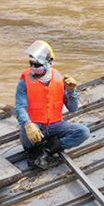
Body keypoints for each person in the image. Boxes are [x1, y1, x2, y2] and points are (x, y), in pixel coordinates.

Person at [16, 40, 89, 170]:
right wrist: (28, 125)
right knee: (26, 136)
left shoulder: (59, 79)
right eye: (31, 64)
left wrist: (72, 91)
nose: (33, 68)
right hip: (35, 126)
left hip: (55, 125)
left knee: (83, 132)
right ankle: (36, 149)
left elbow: (73, 108)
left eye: (37, 64)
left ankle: (48, 150)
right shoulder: (24, 83)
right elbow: (20, 107)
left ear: (49, 63)